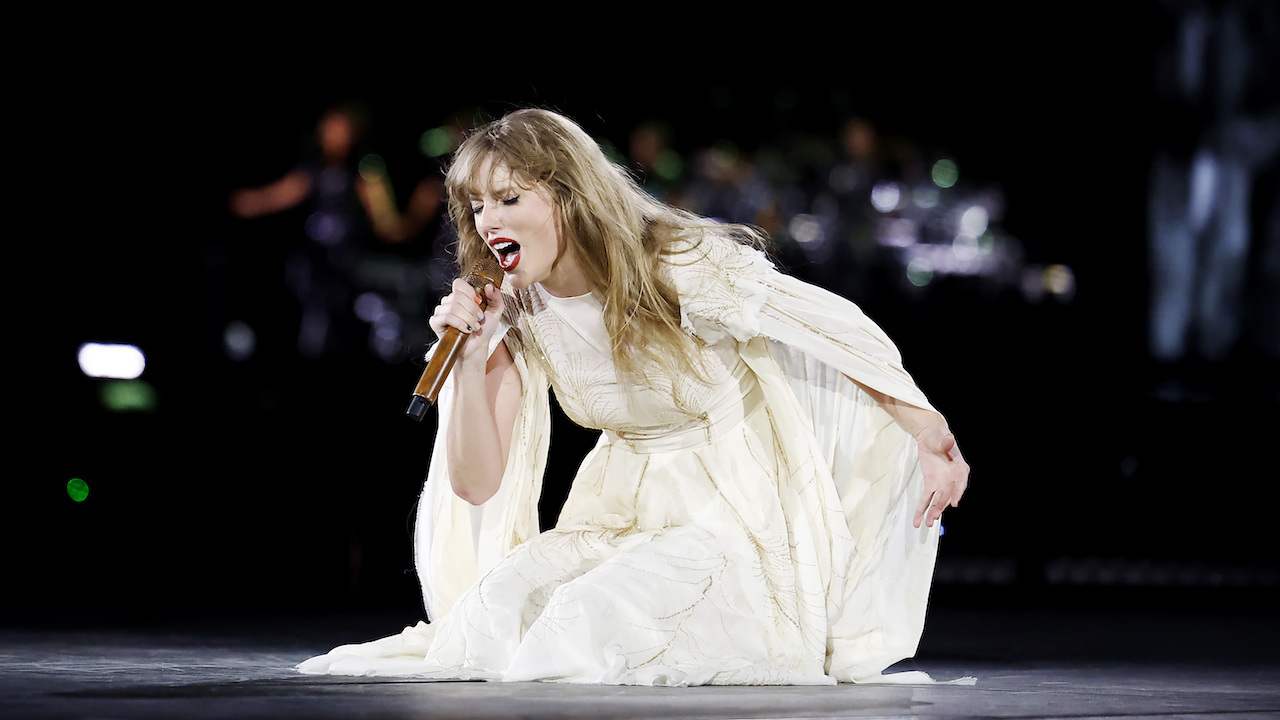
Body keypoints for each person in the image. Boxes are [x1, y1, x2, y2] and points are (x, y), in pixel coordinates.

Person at [299, 108, 969, 686]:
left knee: (580, 625)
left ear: (565, 195)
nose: (486, 219)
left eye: (507, 199)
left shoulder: (674, 262)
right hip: (617, 507)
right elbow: (475, 484)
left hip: (730, 505)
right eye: (477, 205)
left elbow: (827, 332)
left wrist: (929, 433)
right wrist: (471, 363)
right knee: (489, 616)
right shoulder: (515, 310)